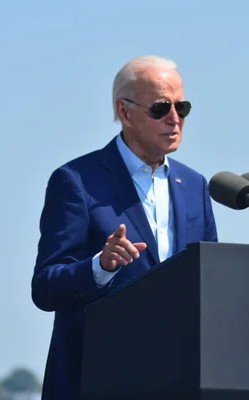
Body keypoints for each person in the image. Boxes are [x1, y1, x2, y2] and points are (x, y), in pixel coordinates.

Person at [31, 55, 218, 400]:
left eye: (183, 107)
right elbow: (45, 287)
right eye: (161, 108)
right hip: (96, 381)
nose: (175, 119)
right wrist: (98, 267)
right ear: (125, 111)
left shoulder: (195, 186)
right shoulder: (76, 182)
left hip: (177, 382)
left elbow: (210, 285)